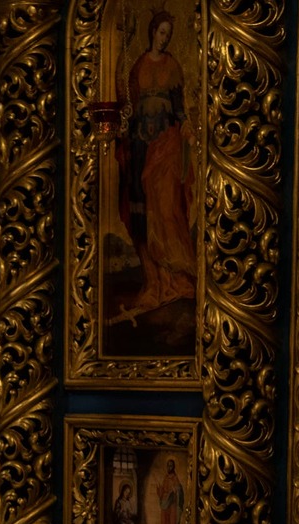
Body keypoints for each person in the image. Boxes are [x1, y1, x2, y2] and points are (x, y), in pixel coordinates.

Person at [118, 11, 197, 313]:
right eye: (160, 32)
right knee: (142, 213)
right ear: (152, 32)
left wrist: (189, 131)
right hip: (140, 145)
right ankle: (155, 281)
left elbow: (179, 109)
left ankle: (176, 277)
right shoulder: (137, 66)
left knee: (166, 209)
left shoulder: (174, 67)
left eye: (168, 34)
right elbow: (128, 106)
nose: (163, 38)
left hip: (166, 146)